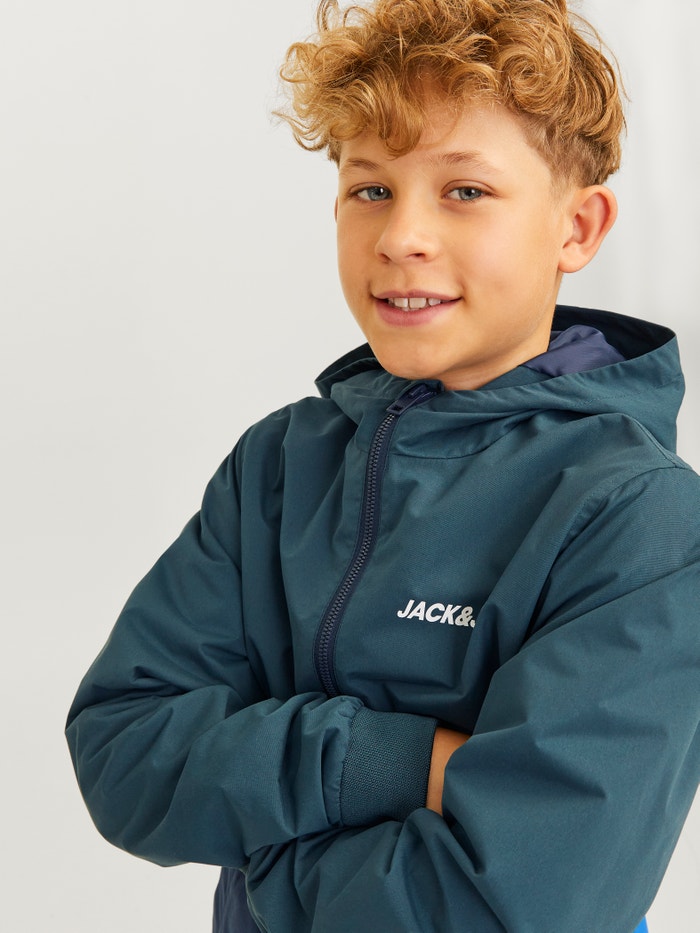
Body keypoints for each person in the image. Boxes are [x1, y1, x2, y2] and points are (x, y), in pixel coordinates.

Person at [66, 1, 699, 930]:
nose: (403, 235)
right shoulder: (277, 467)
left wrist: (262, 850)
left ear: (578, 226)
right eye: (371, 189)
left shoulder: (640, 518)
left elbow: (517, 901)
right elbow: (124, 751)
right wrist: (388, 761)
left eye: (464, 190)